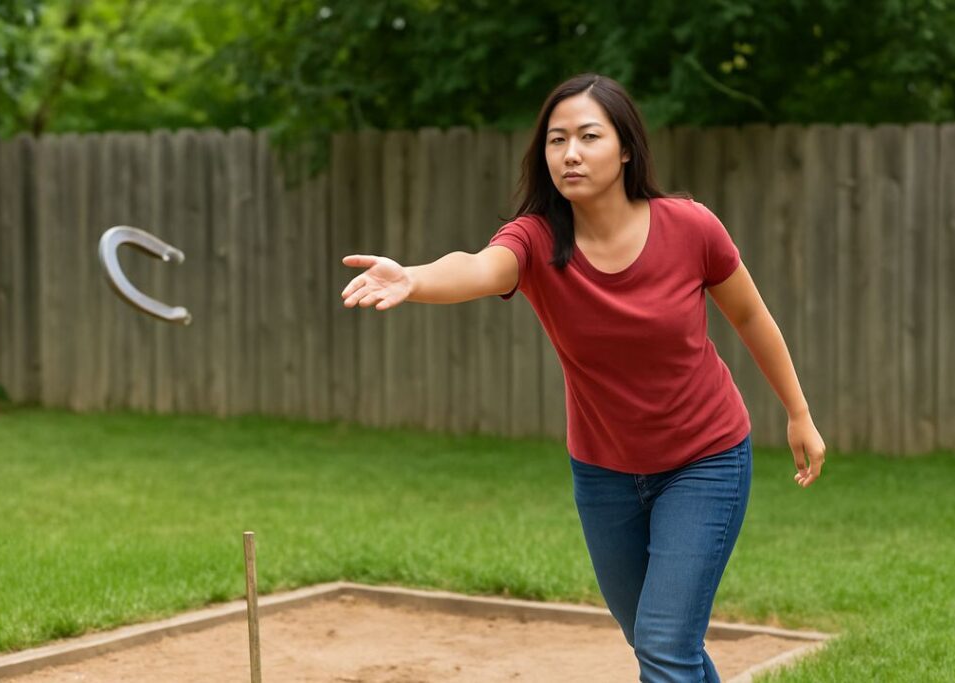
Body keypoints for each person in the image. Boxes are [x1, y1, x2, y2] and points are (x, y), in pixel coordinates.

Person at [339, 73, 826, 682]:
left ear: (625, 149)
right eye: (556, 139)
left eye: (589, 137)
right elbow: (477, 267)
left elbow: (751, 315)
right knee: (659, 644)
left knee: (664, 643)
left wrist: (798, 412)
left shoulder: (690, 227)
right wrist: (414, 278)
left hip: (705, 460)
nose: (569, 153)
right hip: (604, 474)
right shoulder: (538, 240)